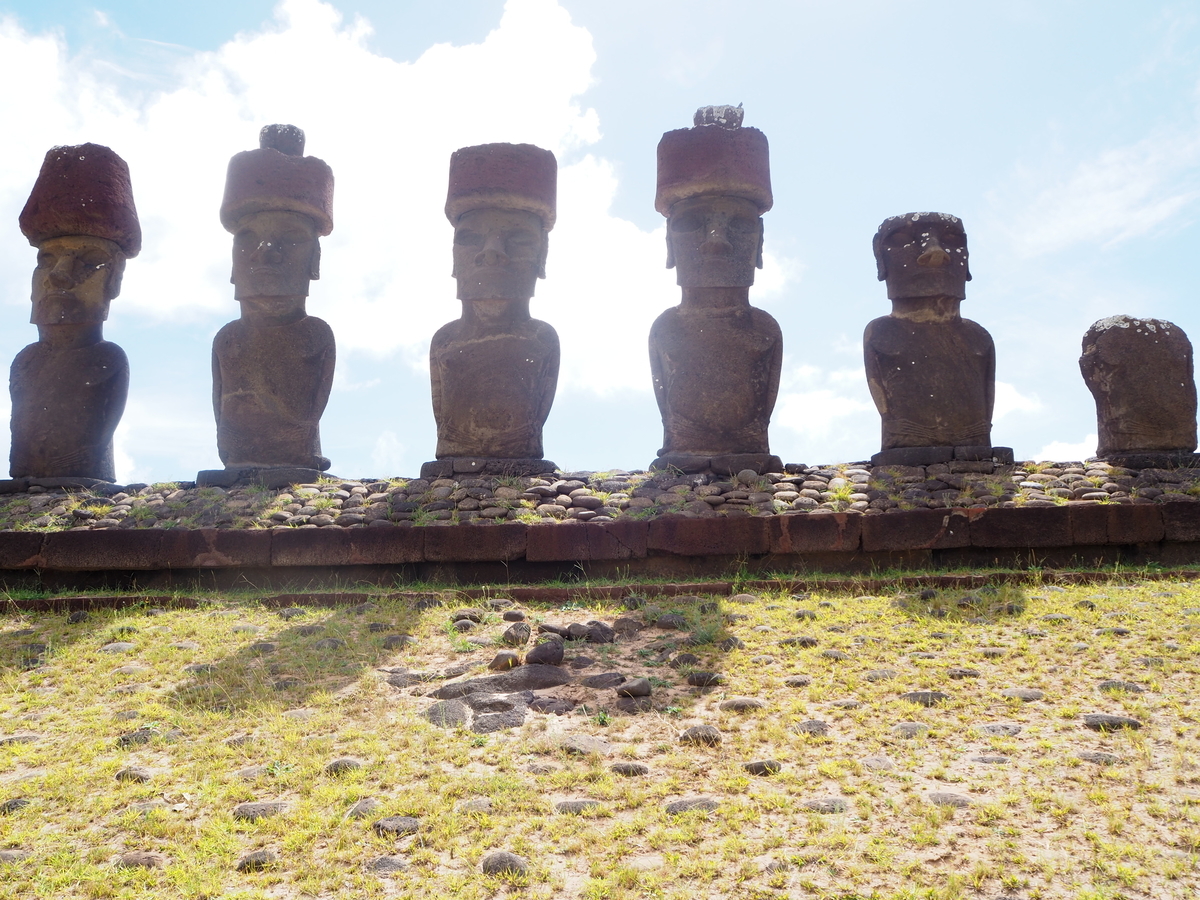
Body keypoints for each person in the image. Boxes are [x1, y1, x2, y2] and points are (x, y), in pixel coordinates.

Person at [11, 143, 139, 481]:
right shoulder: (25, 360)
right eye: (46, 260)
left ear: (114, 281)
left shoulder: (107, 358)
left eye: (88, 261)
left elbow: (91, 442)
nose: (59, 275)